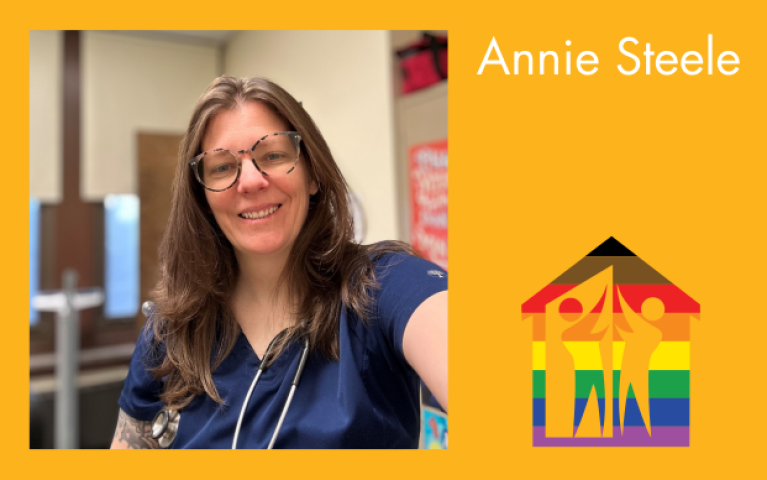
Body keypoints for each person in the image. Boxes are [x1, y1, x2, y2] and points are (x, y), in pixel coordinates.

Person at [110, 77, 447, 449]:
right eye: (221, 167)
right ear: (202, 197)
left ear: (313, 174)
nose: (250, 182)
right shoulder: (169, 333)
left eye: (273, 156)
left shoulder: (385, 285)